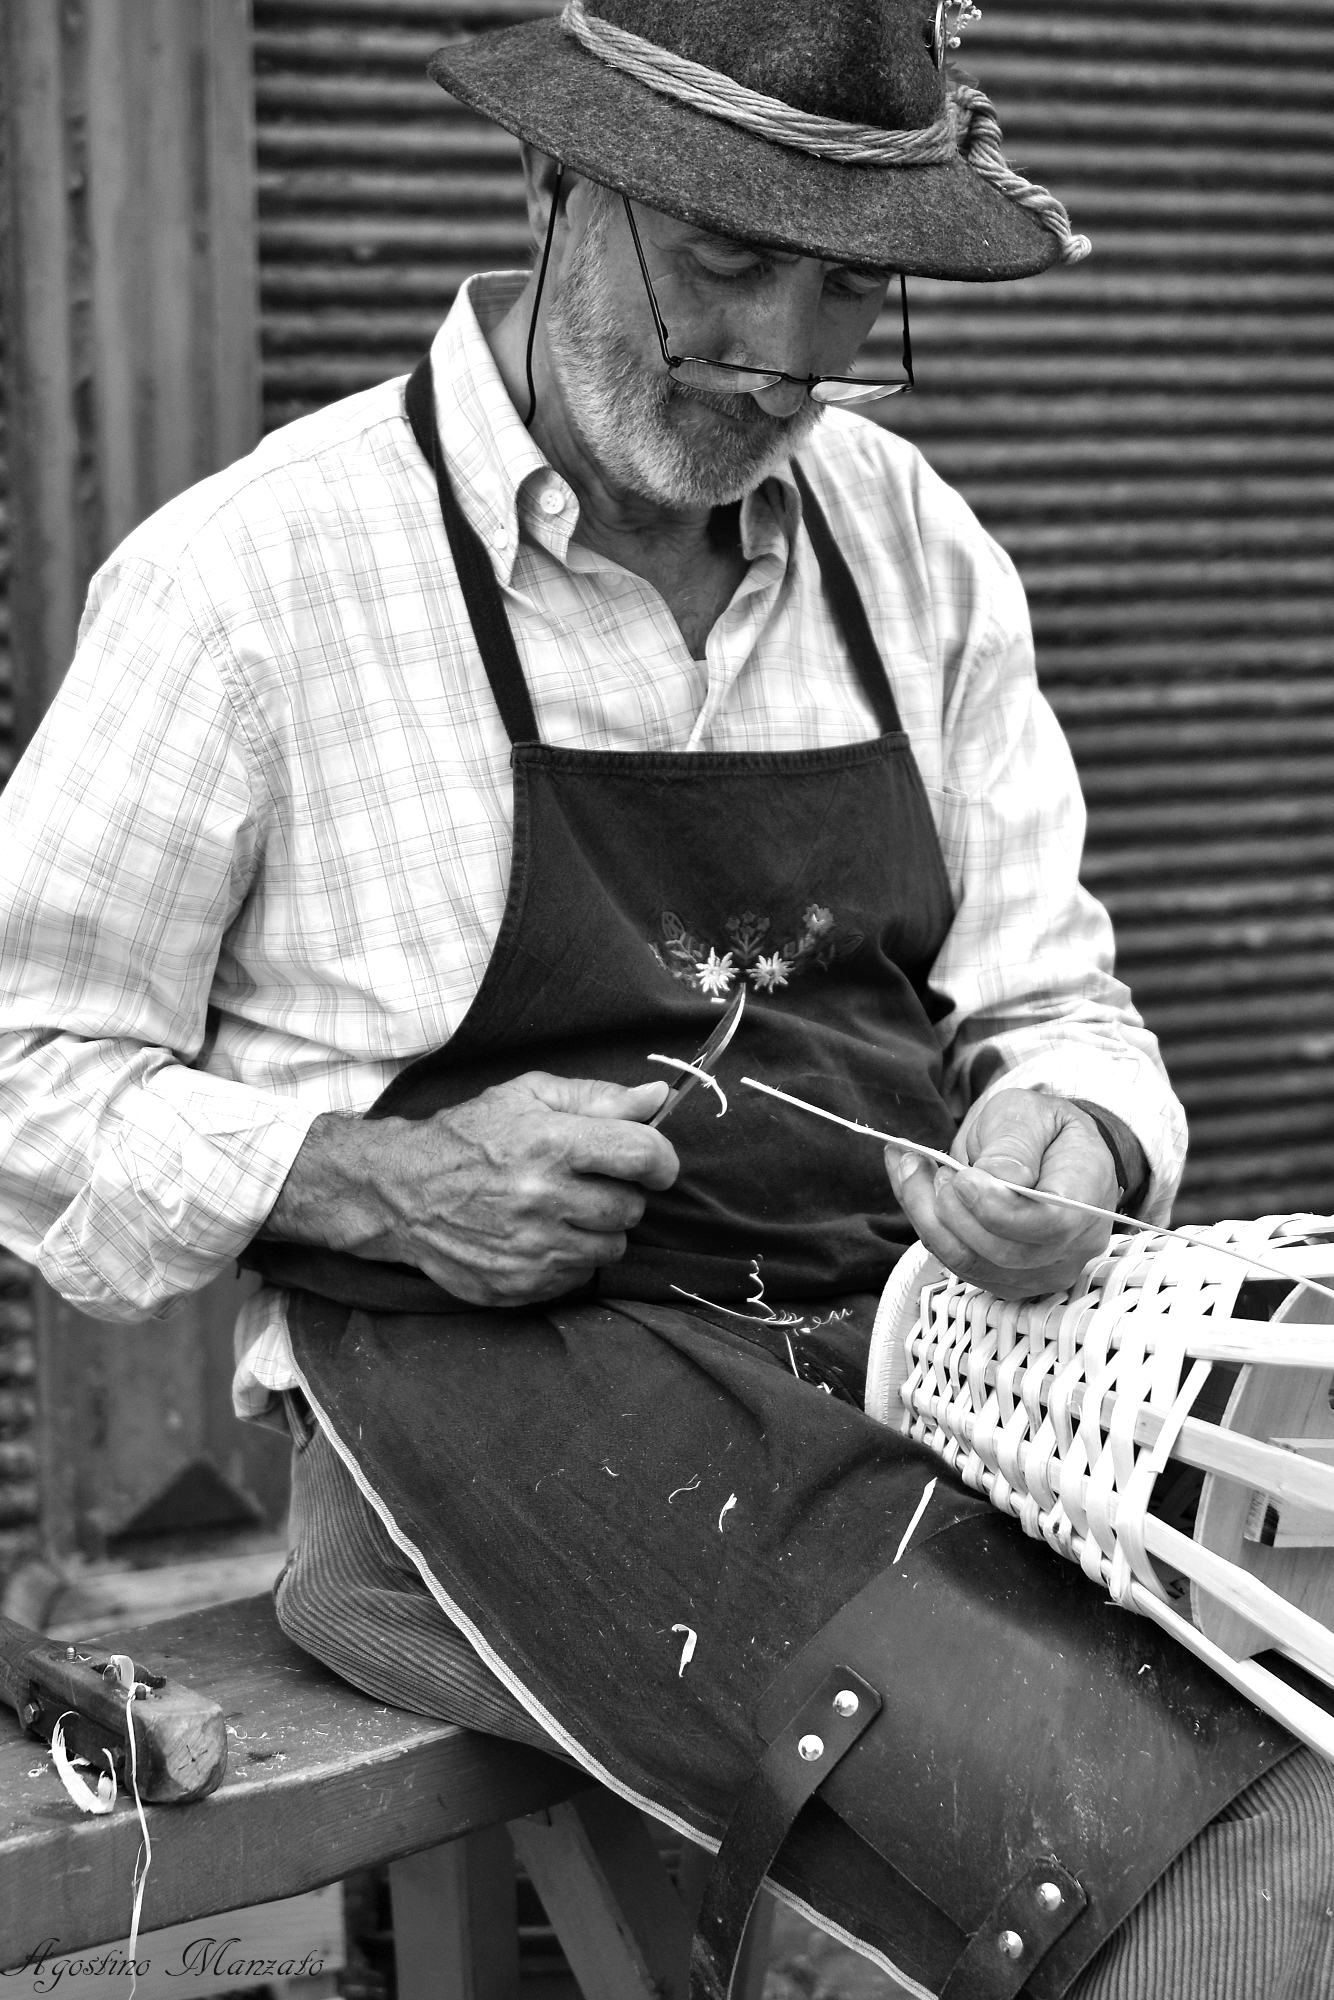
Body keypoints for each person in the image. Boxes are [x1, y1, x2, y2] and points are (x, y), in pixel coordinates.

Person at [1, 4, 1330, 1995]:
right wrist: (377, 1180)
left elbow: (1062, 1001)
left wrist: (1073, 1132)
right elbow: (26, 1067)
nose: (789, 356)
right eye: (726, 260)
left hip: (939, 1375)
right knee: (1179, 1871)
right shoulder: (258, 582)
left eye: (843, 283)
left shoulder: (908, 542)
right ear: (551, 187)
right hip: (509, 1431)